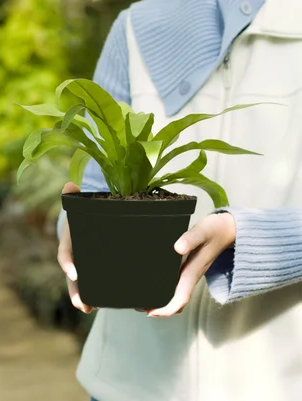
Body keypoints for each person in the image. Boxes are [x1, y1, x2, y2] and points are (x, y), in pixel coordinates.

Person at [56, 0, 302, 400]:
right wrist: (78, 231)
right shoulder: (138, 26)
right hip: (127, 382)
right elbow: (98, 178)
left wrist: (255, 239)